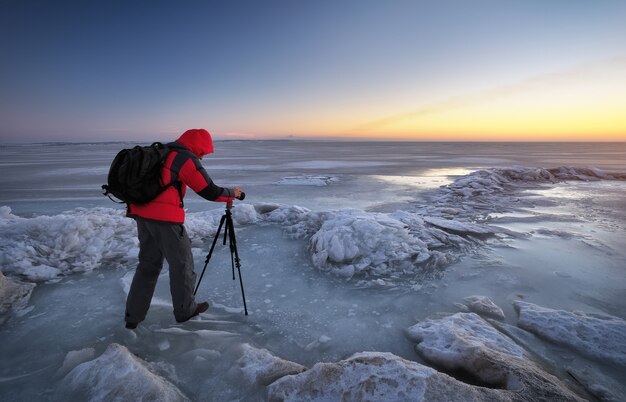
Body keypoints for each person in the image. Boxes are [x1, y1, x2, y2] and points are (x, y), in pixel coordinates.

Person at [124, 128, 243, 329]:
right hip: (166, 221)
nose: (203, 156)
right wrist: (233, 193)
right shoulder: (184, 158)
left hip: (142, 214)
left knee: (147, 266)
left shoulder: (162, 152)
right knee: (182, 266)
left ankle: (132, 317)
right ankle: (185, 311)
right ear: (197, 145)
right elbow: (209, 191)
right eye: (203, 151)